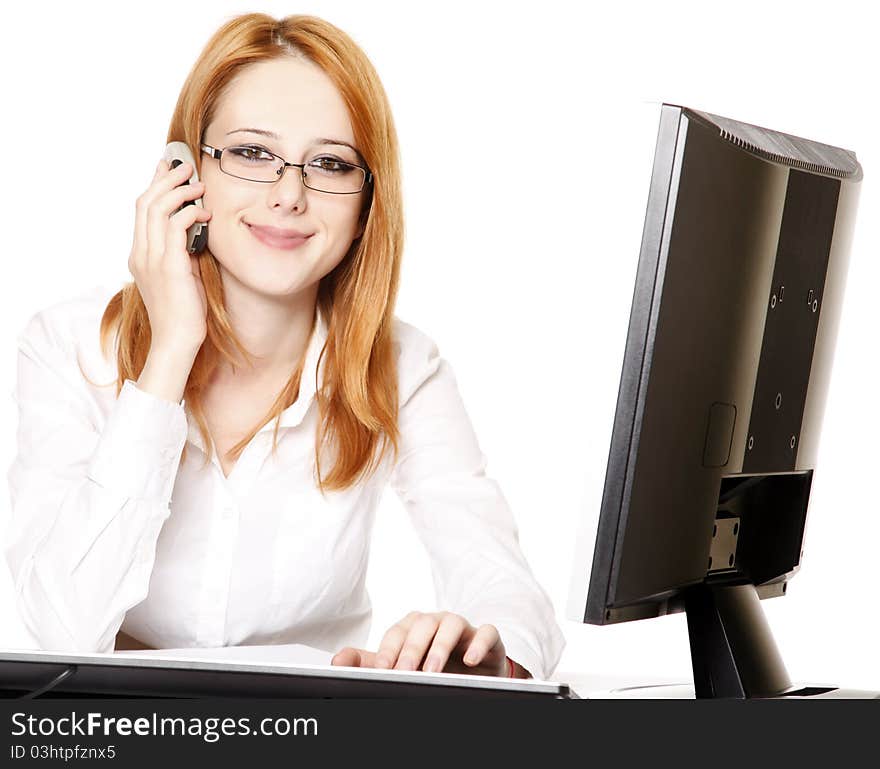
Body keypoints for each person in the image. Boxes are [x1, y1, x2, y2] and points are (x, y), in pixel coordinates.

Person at [3, 12, 565, 681]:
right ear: (184, 173)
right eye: (251, 153)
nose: (289, 194)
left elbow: (503, 582)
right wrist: (170, 351)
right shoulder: (68, 347)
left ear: (365, 208)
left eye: (330, 164)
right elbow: (63, 628)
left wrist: (476, 648)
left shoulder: (404, 366)